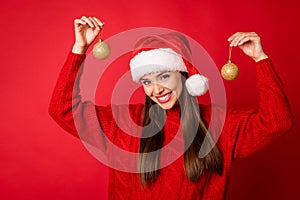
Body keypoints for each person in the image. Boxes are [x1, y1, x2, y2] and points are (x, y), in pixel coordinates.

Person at [49, 16, 293, 200]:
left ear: (183, 74)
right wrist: (79, 49)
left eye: (164, 76)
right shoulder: (122, 122)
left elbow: (277, 122)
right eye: (146, 81)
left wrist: (260, 59)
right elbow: (62, 110)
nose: (156, 89)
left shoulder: (219, 124)